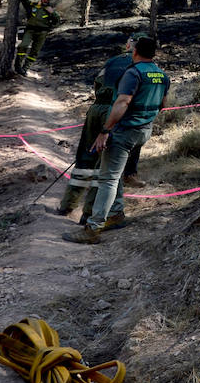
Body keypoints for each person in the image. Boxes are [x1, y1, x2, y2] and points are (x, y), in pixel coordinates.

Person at [65, 34, 170, 244]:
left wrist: (105, 130)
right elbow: (163, 104)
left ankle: (93, 228)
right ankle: (115, 214)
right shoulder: (162, 75)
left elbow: (122, 102)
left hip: (124, 131)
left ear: (135, 51)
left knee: (108, 179)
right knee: (118, 171)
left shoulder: (133, 73)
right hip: (144, 131)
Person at [56, 32, 138, 218]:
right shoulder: (141, 67)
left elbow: (97, 82)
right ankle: (88, 214)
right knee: (104, 164)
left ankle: (67, 206)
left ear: (128, 46)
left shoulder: (112, 61)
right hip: (115, 112)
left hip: (96, 109)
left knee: (85, 157)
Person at [15, 0, 60, 74]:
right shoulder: (32, 5)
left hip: (42, 33)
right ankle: (17, 66)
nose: (46, 0)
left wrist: (53, 13)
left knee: (35, 52)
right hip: (30, 30)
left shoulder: (50, 9)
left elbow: (57, 21)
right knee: (23, 45)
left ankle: (24, 69)